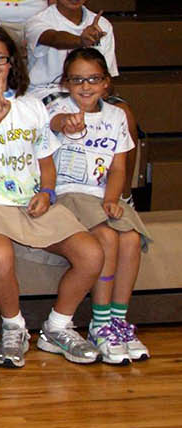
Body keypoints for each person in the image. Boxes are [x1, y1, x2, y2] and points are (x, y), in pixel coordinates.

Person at [0, 24, 101, 368]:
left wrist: (47, 192)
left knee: (91, 254)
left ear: (11, 61)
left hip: (33, 200)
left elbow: (45, 161)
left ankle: (57, 327)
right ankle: (14, 326)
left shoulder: (32, 105)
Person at [47, 48, 151, 363]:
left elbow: (119, 167)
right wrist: (65, 123)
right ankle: (100, 322)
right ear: (66, 83)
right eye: (77, 80)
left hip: (104, 194)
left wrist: (111, 197)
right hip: (70, 194)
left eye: (93, 79)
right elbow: (53, 124)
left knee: (131, 238)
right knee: (106, 236)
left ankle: (118, 320)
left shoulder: (117, 116)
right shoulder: (56, 107)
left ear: (106, 83)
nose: (86, 86)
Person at [25, 0, 118, 100]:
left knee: (123, 111)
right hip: (49, 91)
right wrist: (81, 41)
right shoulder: (37, 22)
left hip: (90, 91)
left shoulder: (103, 25)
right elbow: (54, 38)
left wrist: (103, 95)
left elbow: (108, 78)